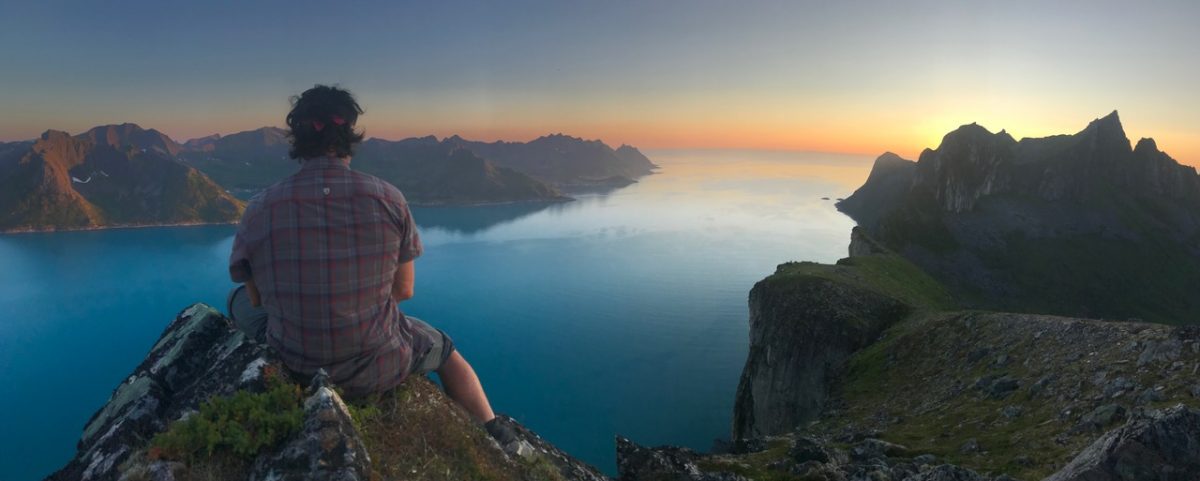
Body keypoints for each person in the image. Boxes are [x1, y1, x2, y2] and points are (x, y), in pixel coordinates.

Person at [226, 85, 511, 441]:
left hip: (295, 365)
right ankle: (495, 433)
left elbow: (256, 300)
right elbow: (404, 291)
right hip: (379, 366)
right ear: (349, 134)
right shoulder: (388, 198)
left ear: (297, 136)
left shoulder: (259, 208)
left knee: (235, 299)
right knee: (447, 351)